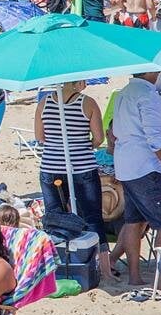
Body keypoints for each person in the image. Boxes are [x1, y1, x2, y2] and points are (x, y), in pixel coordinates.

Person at [107, 71, 161, 285]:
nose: (160, 73)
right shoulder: (147, 96)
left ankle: (136, 276)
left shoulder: (123, 93)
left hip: (127, 164)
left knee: (134, 221)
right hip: (146, 166)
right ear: (149, 71)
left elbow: (115, 132)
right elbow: (155, 138)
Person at [34, 81, 108, 258]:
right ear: (79, 81)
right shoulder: (88, 103)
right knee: (92, 217)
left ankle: (60, 261)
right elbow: (98, 138)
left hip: (51, 165)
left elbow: (39, 136)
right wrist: (83, 145)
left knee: (55, 218)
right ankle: (103, 264)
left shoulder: (43, 103)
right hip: (82, 165)